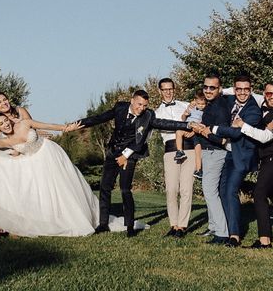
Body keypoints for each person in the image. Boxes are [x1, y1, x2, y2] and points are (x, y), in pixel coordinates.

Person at [0, 114, 109, 237]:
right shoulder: (5, 141)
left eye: (5, 121)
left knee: (64, 187)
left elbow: (48, 125)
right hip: (36, 166)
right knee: (48, 194)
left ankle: (84, 217)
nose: (5, 124)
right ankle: (60, 220)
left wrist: (66, 128)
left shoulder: (24, 123)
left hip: (50, 154)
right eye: (1, 124)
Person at [75, 89, 192, 237]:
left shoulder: (148, 115)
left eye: (144, 105)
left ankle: (129, 226)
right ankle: (103, 224)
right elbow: (99, 118)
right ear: (132, 101)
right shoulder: (120, 108)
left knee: (125, 189)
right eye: (139, 104)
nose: (141, 108)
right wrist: (78, 124)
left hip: (130, 154)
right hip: (113, 152)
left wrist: (186, 125)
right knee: (105, 187)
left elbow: (161, 126)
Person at [210, 81, 273, 248]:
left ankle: (253, 238)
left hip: (270, 157)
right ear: (264, 93)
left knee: (256, 193)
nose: (272, 97)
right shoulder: (257, 100)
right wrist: (217, 90)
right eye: (269, 94)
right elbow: (230, 90)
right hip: (255, 156)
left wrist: (217, 128)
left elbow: (262, 137)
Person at [200, 75, 262, 247]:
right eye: (239, 89)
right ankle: (226, 229)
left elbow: (236, 133)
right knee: (221, 190)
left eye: (246, 89)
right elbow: (215, 92)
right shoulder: (228, 101)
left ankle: (234, 236)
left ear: (251, 90)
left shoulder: (253, 110)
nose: (242, 93)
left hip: (241, 157)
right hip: (228, 154)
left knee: (230, 192)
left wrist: (213, 129)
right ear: (234, 89)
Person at [195, 73, 232, 244]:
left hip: (215, 152)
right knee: (209, 190)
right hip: (207, 151)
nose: (208, 90)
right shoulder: (210, 106)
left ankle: (222, 233)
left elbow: (223, 138)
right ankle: (213, 227)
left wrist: (206, 133)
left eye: (212, 87)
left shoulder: (221, 107)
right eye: (206, 87)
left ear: (219, 89)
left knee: (210, 192)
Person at [154, 78, 194, 238]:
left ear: (174, 89)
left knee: (186, 189)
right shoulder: (156, 113)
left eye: (170, 89)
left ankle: (182, 227)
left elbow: (198, 120)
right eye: (165, 89)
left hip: (189, 148)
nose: (168, 92)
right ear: (160, 91)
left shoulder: (186, 106)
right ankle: (174, 225)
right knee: (171, 190)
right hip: (170, 150)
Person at [177, 90, 207, 180]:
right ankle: (179, 151)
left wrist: (193, 131)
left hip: (196, 131)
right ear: (195, 101)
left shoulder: (205, 112)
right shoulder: (191, 108)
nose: (201, 106)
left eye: (203, 104)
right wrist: (185, 114)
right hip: (187, 126)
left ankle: (198, 170)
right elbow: (183, 117)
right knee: (178, 132)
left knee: (198, 148)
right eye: (199, 103)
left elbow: (203, 125)